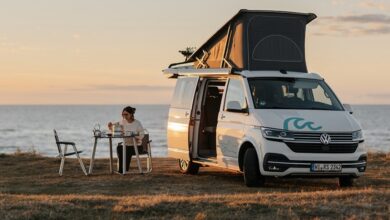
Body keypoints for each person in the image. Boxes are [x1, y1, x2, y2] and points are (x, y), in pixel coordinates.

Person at [108, 106, 144, 173]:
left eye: (126, 114)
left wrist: (137, 137)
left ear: (131, 114)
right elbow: (114, 128)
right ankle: (122, 170)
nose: (124, 116)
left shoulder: (137, 123)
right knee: (119, 148)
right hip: (127, 145)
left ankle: (123, 170)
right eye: (123, 114)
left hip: (137, 146)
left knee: (126, 149)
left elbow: (142, 134)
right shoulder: (122, 122)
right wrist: (110, 126)